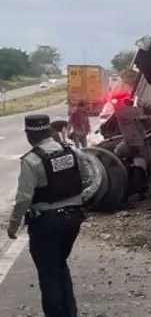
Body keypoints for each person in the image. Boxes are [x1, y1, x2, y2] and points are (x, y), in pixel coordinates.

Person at [7, 113, 88, 317]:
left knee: (49, 274)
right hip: (74, 219)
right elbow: (87, 177)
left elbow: (24, 197)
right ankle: (70, 312)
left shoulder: (32, 160)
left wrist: (13, 224)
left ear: (30, 136)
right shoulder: (71, 152)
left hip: (47, 223)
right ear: (50, 131)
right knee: (60, 265)